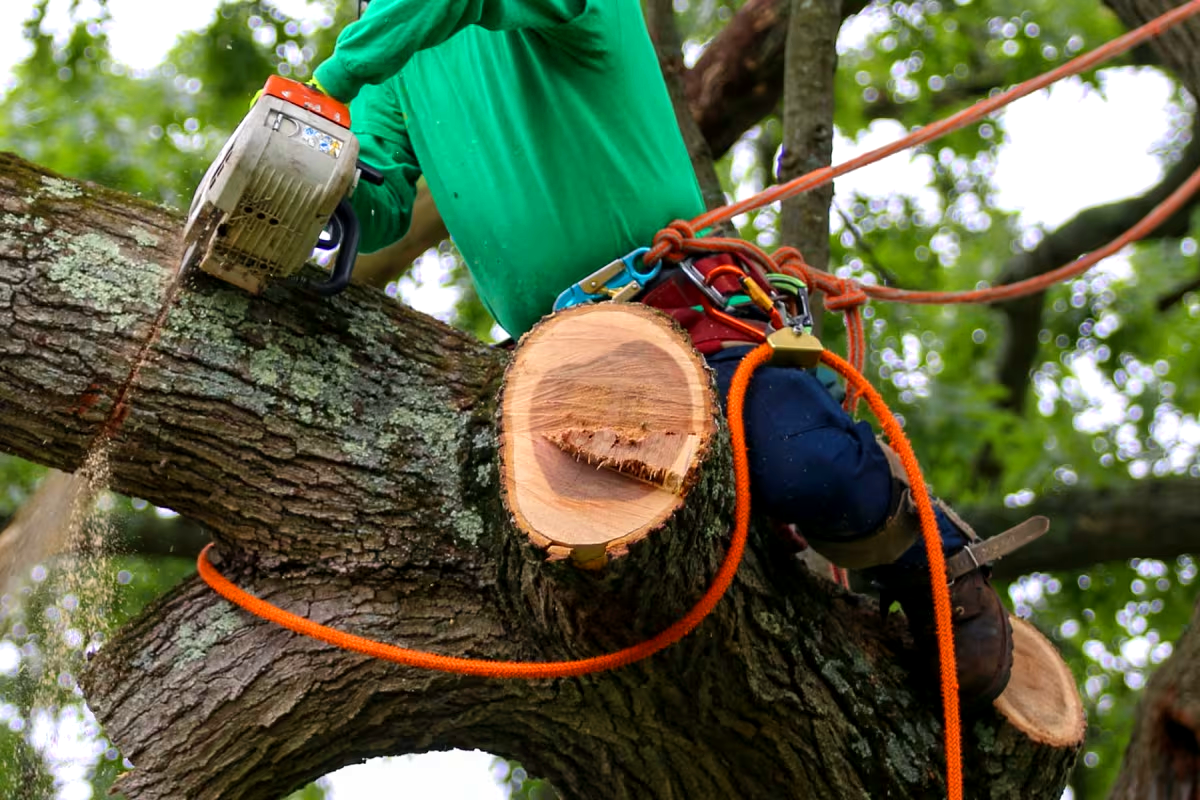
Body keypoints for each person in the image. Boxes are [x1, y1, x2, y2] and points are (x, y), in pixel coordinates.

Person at [308, 0, 1026, 706]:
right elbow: (379, 198)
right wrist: (312, 169)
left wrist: (328, 84)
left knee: (807, 467)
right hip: (553, 357)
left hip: (679, 307)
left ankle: (933, 565)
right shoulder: (390, 62)